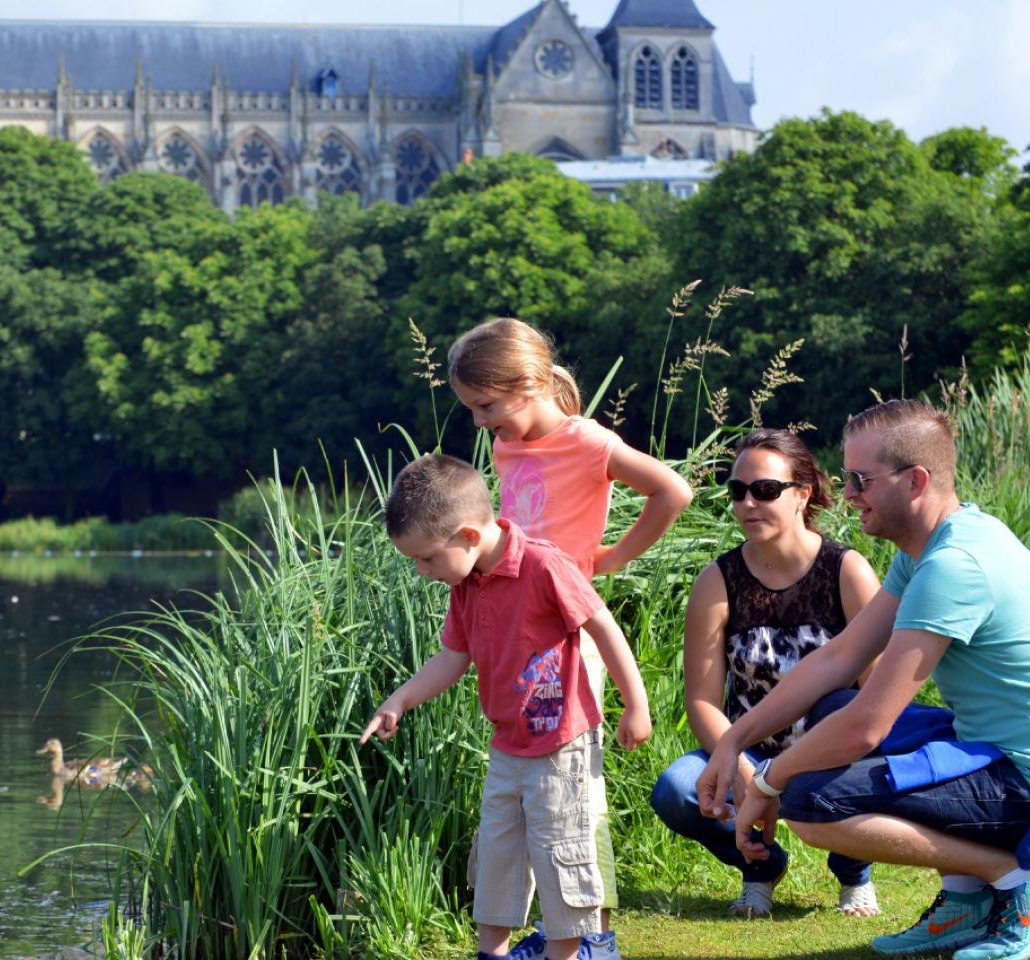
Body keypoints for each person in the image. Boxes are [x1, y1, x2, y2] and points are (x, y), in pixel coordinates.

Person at [698, 400, 1030, 960]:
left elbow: (869, 724)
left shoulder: (953, 565)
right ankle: (967, 902)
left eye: (860, 480)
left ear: (916, 481)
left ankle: (1024, 882)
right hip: (998, 754)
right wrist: (734, 739)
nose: (845, 494)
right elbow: (836, 661)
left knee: (809, 802)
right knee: (828, 709)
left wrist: (768, 783)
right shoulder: (928, 550)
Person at [448, 317, 694, 958]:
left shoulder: (588, 441)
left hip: (569, 632)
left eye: (485, 406)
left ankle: (592, 938)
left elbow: (674, 490)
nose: (479, 422)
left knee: (575, 796)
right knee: (535, 800)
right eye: (472, 408)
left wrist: (615, 556)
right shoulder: (507, 443)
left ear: (527, 385)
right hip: (517, 631)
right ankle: (564, 930)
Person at [362, 453, 653, 960]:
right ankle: (490, 954)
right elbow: (453, 658)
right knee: (496, 857)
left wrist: (636, 704)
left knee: (563, 856)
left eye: (427, 557)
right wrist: (400, 700)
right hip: (507, 748)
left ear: (470, 535)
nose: (421, 570)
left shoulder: (543, 564)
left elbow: (603, 626)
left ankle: (565, 954)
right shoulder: (465, 585)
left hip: (562, 744)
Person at [648, 428, 884, 918]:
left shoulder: (847, 571)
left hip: (831, 748)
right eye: (738, 491)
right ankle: (760, 865)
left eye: (765, 490)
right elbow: (702, 702)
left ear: (802, 494)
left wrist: (798, 768)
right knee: (675, 789)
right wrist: (740, 766)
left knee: (856, 740)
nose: (748, 503)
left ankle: (854, 870)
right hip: (751, 746)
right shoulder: (718, 581)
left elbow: (878, 692)